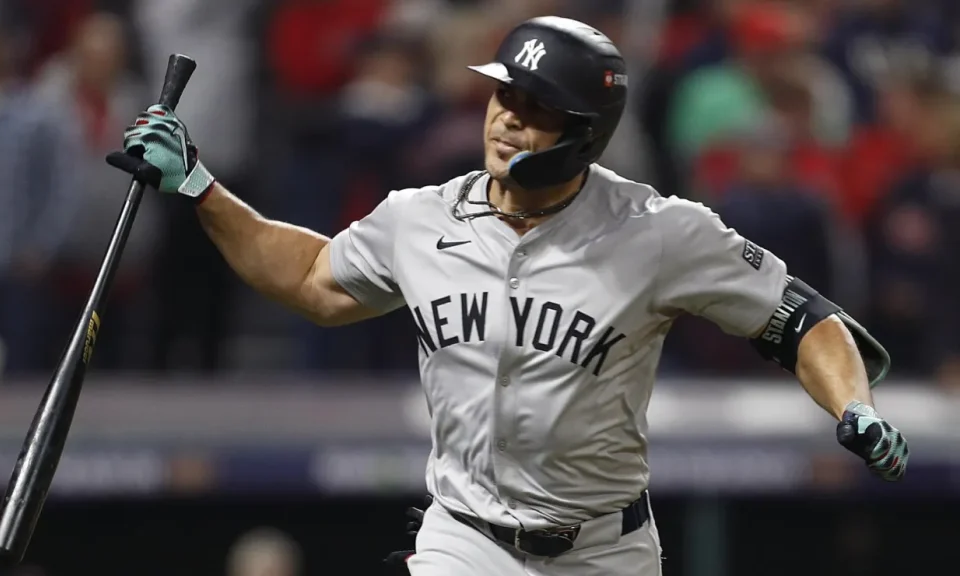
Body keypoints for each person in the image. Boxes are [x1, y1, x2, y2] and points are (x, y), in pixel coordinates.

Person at [117, 16, 909, 576]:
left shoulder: (660, 232)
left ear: (584, 131)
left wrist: (854, 406)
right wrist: (200, 187)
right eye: (504, 97)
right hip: (465, 541)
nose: (506, 120)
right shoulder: (420, 218)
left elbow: (803, 321)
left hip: (603, 551)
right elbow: (313, 280)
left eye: (535, 109)